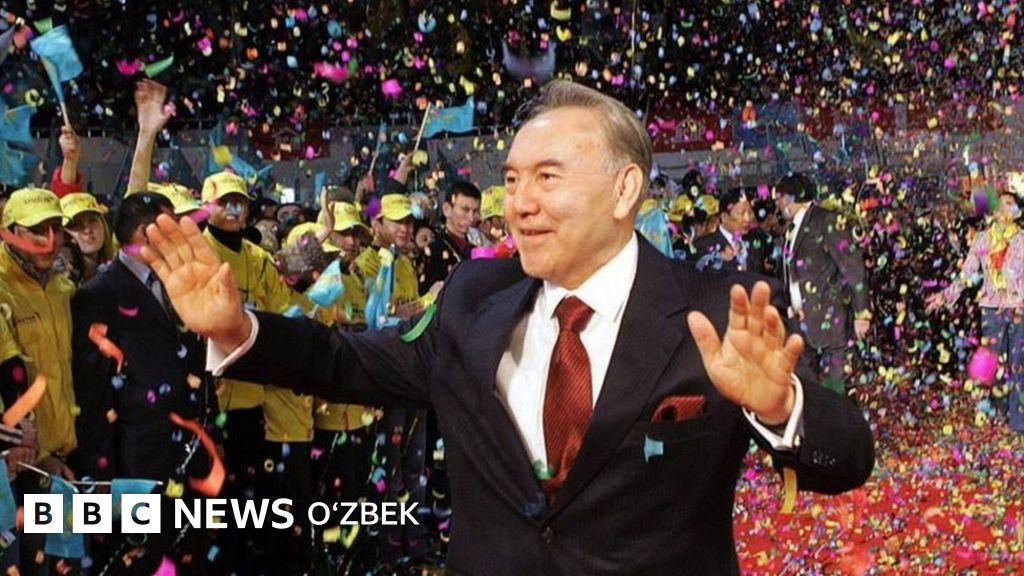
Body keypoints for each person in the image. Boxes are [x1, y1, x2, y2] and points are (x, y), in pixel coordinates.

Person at [144, 81, 874, 574]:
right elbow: (351, 360)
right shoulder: (474, 299)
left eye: (547, 177)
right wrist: (238, 328)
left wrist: (780, 407)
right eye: (513, 178)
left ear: (624, 189)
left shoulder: (714, 311)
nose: (519, 202)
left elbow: (847, 457)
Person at [70, 192, 216, 574]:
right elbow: (94, 392)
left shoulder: (177, 281)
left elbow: (195, 359)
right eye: (171, 226)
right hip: (134, 459)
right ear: (144, 233)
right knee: (141, 560)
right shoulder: (97, 295)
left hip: (189, 450)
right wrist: (99, 474)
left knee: (190, 555)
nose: (180, 235)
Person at [928, 188, 1024, 431]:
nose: (1004, 207)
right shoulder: (983, 239)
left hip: (1018, 309)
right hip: (991, 310)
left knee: (1018, 363)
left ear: (1017, 212)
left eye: (1010, 203)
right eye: (1001, 203)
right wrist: (945, 296)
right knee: (996, 364)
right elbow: (967, 273)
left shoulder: (1022, 240)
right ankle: (1001, 412)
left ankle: (1018, 420)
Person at [776, 172, 871, 392]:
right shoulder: (791, 229)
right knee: (808, 389)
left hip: (830, 320)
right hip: (800, 321)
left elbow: (852, 267)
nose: (777, 204)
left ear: (789, 198)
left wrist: (862, 313)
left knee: (833, 389)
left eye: (779, 198)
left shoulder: (826, 220)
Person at [419, 180, 481, 292]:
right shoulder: (434, 250)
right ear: (447, 209)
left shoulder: (474, 250)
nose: (471, 218)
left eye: (475, 211)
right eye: (465, 210)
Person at [693, 187, 767, 274]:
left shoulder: (755, 241)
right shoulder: (703, 245)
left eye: (750, 212)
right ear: (724, 217)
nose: (747, 219)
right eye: (741, 213)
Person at [60, 192, 116, 284]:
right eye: (76, 225)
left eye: (92, 220)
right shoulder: (62, 281)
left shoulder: (118, 267)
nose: (88, 230)